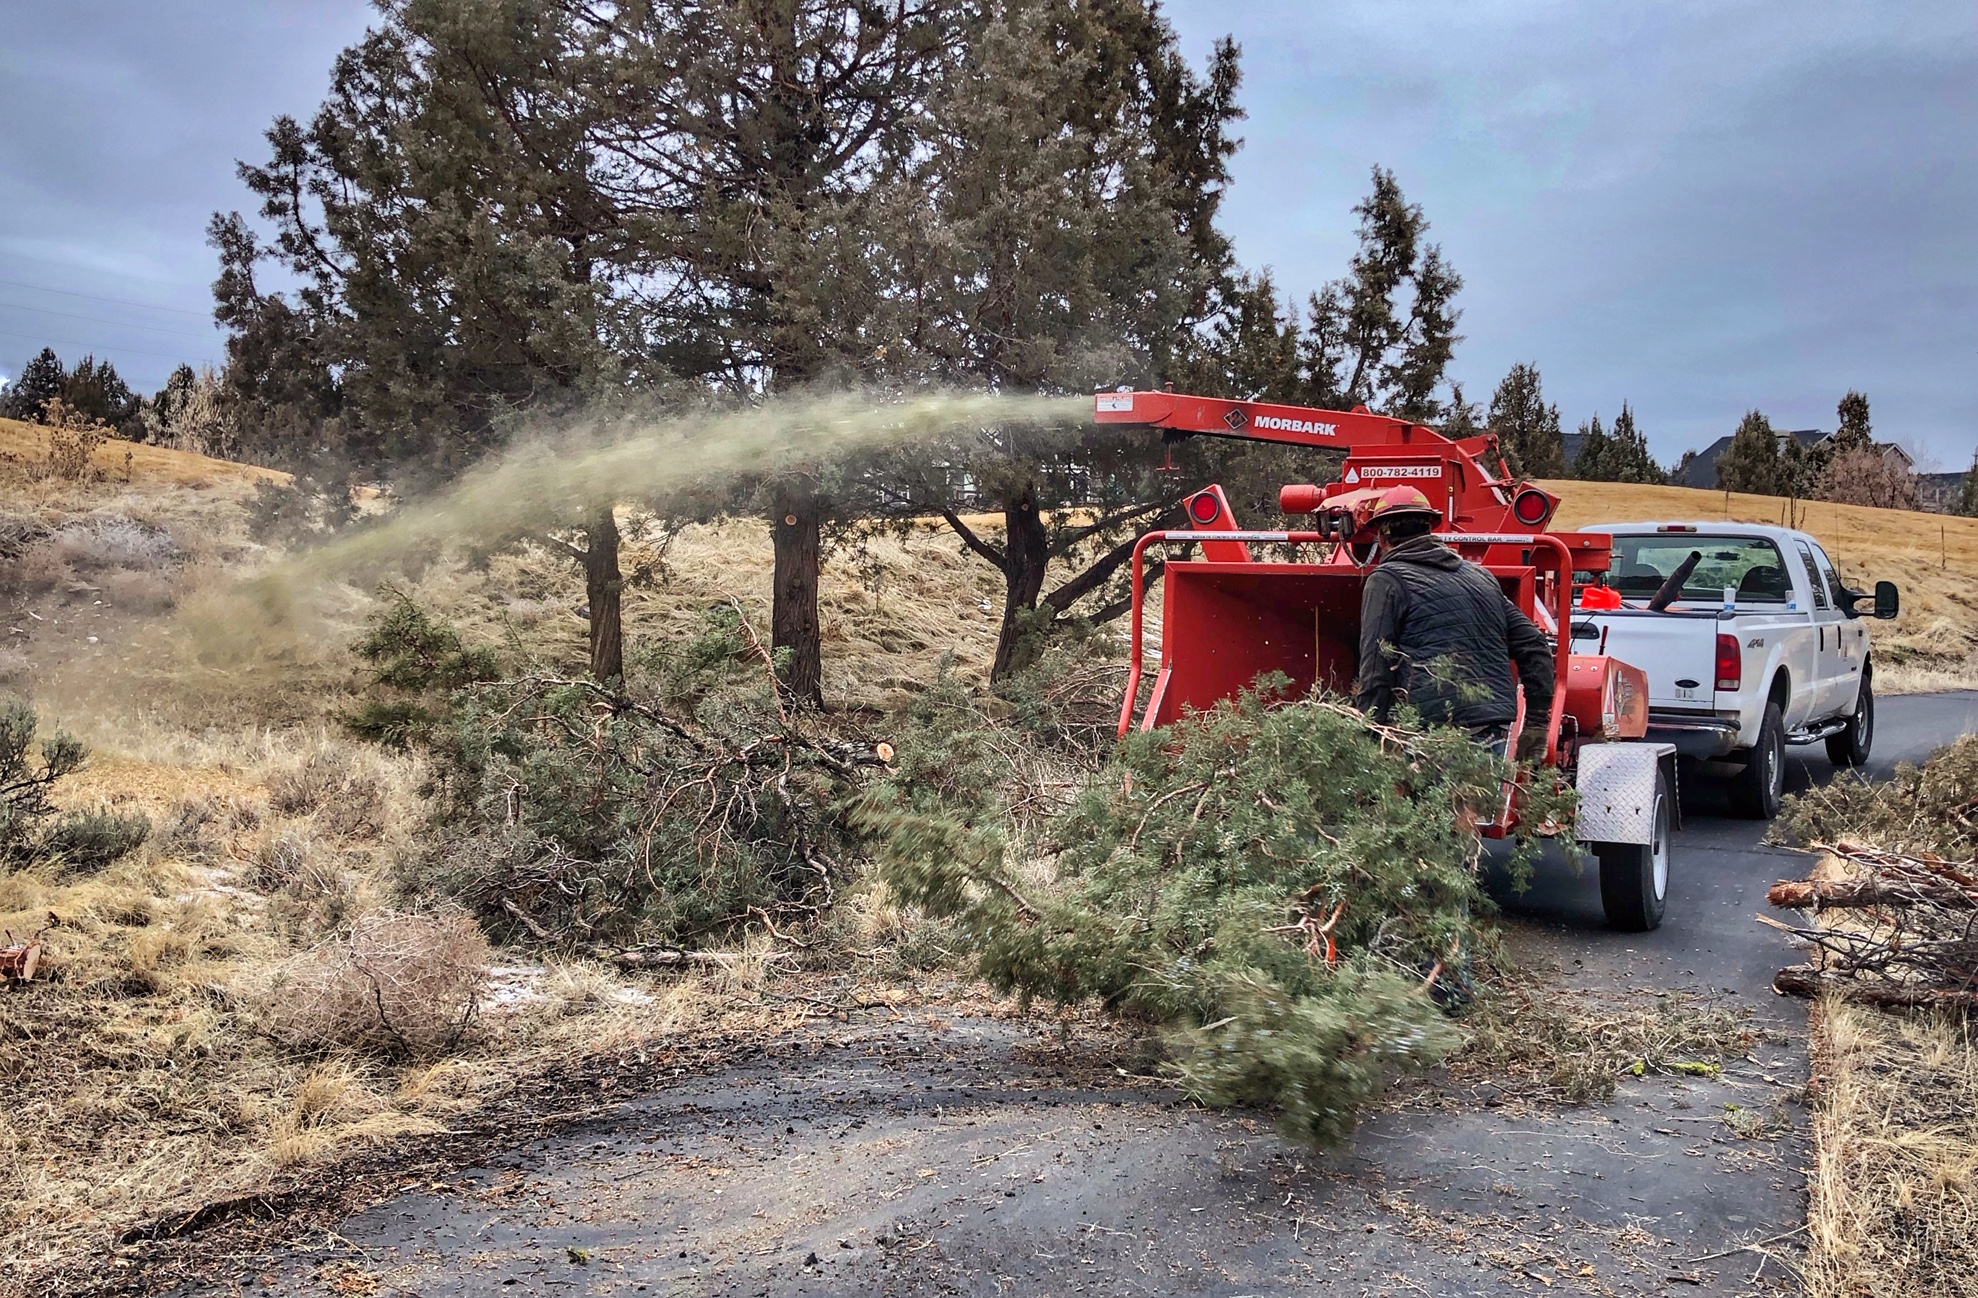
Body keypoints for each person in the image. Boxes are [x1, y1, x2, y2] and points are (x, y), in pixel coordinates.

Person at [1352, 486, 1556, 759]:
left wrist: (1368, 737)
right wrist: (1537, 723)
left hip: (1429, 734)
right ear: (1429, 528)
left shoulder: (1386, 580)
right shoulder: (1481, 577)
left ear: (1381, 535)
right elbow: (1535, 645)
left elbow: (1377, 665)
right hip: (1490, 727)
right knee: (1477, 789)